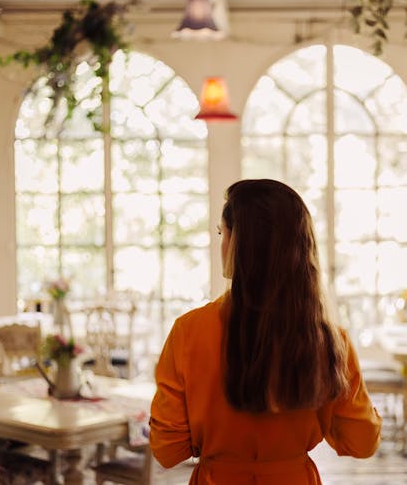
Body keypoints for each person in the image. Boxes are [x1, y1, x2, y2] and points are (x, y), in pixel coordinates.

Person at [149, 178, 381, 484]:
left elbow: (167, 449)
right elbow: (362, 443)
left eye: (222, 233)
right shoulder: (329, 339)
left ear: (238, 245)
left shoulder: (189, 331)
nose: (221, 243)